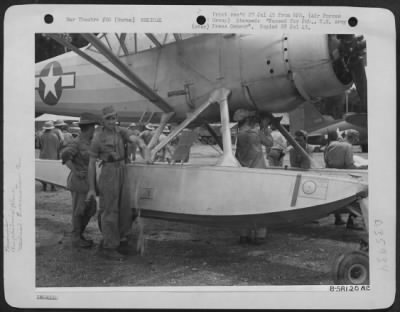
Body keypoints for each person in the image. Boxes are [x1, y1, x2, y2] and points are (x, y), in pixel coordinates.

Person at [86, 106, 151, 260]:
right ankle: (109, 246)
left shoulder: (120, 131)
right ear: (102, 121)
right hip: (109, 172)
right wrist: (91, 188)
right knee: (110, 210)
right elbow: (91, 164)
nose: (112, 121)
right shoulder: (98, 138)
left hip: (123, 170)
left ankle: (120, 240)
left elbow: (135, 139)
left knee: (124, 209)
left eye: (114, 117)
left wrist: (143, 148)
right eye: (108, 118)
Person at [234, 110, 273, 244]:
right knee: (260, 205)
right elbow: (270, 143)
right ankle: (260, 235)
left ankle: (243, 234)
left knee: (244, 205)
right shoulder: (256, 133)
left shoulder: (239, 134)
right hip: (258, 173)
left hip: (243, 172)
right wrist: (266, 129)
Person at [61, 113, 100, 248]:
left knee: (91, 209)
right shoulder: (77, 142)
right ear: (89, 128)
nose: (94, 130)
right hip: (79, 182)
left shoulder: (90, 142)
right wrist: (76, 171)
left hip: (88, 183)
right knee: (79, 210)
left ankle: (79, 234)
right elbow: (65, 156)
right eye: (93, 127)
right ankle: (76, 237)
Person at [324, 129, 366, 229]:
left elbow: (326, 161)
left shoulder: (331, 144)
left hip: (331, 175)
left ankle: (337, 218)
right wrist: (362, 167)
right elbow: (349, 165)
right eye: (357, 138)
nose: (357, 140)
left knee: (334, 198)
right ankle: (351, 222)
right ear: (354, 138)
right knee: (358, 196)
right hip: (344, 176)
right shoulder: (348, 146)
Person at [38, 121, 60, 192]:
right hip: (53, 156)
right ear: (51, 128)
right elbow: (57, 147)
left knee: (43, 172)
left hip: (43, 156)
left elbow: (39, 146)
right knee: (53, 172)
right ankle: (52, 187)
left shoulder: (41, 136)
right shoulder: (55, 136)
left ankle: (44, 187)